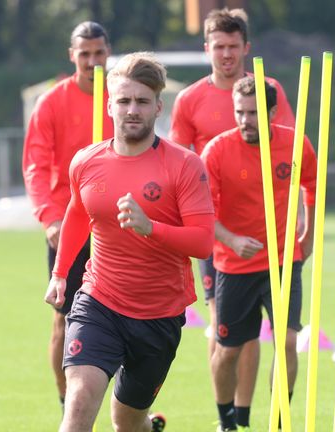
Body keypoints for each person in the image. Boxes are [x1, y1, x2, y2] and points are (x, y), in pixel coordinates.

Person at [44, 52, 215, 432]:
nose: (132, 110)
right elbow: (77, 213)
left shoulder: (185, 165)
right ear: (109, 106)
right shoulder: (85, 161)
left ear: (158, 106)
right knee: (79, 403)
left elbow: (203, 243)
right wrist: (60, 273)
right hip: (99, 302)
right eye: (123, 101)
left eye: (141, 101)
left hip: (158, 316)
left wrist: (149, 226)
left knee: (127, 421)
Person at [168, 8, 296, 426]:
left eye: (232, 46)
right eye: (218, 47)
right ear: (207, 49)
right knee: (223, 331)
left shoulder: (269, 90)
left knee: (257, 335)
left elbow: (291, 151)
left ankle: (243, 414)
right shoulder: (190, 100)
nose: (226, 54)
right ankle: (226, 415)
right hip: (214, 232)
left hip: (266, 233)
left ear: (246, 48)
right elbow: (178, 165)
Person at [202, 76, 316, 432]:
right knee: (229, 351)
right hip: (234, 266)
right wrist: (232, 239)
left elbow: (312, 184)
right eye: (239, 112)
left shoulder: (295, 143)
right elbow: (203, 212)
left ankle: (279, 422)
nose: (245, 120)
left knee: (287, 342)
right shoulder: (218, 151)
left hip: (283, 261)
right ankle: (226, 421)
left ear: (271, 112)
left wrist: (308, 232)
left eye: (253, 113)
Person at [22, 21, 113, 410]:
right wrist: (50, 219)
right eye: (85, 54)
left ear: (108, 53)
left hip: (117, 226)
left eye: (99, 53)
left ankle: (127, 405)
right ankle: (68, 405)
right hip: (69, 227)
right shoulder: (52, 103)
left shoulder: (121, 97)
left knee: (126, 317)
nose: (92, 61)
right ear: (71, 55)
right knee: (65, 318)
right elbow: (35, 165)